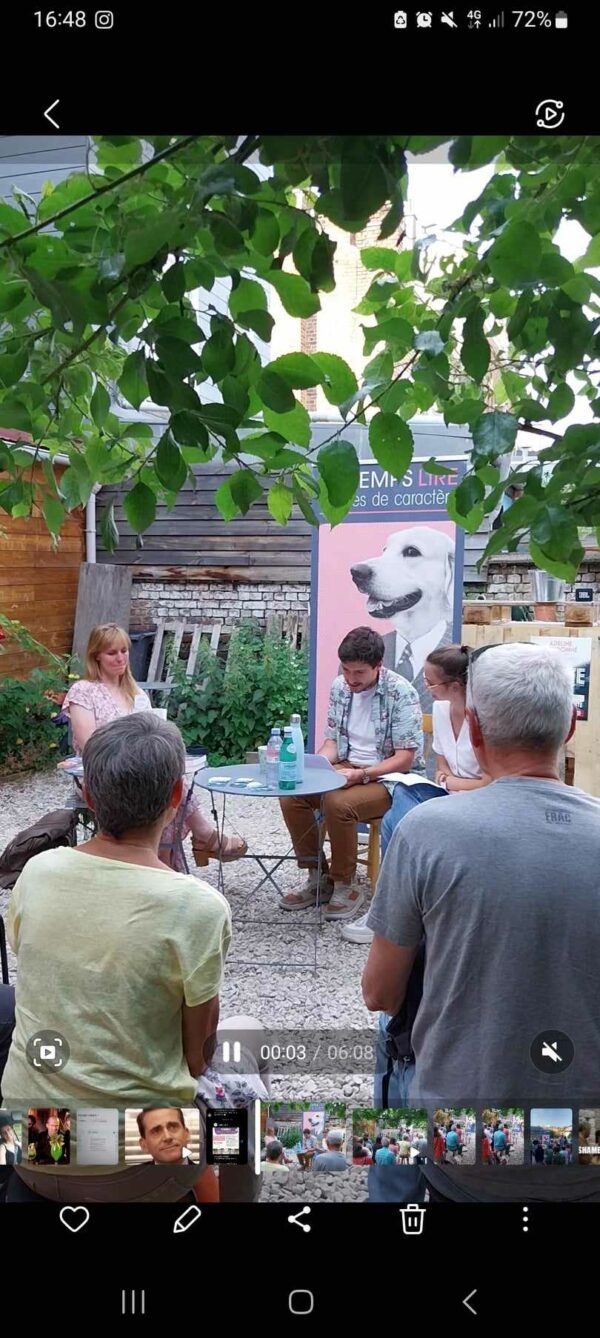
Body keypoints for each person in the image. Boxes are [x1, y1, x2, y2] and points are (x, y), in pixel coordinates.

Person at [363, 641, 600, 1203]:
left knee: (390, 1034)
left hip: (464, 1155)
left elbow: (379, 992)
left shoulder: (427, 831)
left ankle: (390, 1189)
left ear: (473, 730)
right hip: (585, 1154)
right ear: (569, 727)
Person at [3, 712, 232, 1203]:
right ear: (176, 796)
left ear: (88, 795)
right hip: (133, 1163)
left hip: (26, 1141)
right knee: (244, 1058)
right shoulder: (198, 907)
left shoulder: (37, 872)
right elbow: (197, 1059)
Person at [61, 622, 246, 867]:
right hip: (103, 773)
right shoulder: (84, 691)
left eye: (124, 651)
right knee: (163, 784)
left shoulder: (135, 692)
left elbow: (153, 733)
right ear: (97, 656)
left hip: (142, 771)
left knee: (164, 778)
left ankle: (165, 857)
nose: (120, 658)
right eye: (112, 653)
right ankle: (197, 840)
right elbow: (90, 745)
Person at [343, 644, 486, 946]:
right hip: (448, 792)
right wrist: (449, 780)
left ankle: (393, 911)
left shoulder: (484, 717)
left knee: (403, 818)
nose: (425, 686)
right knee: (402, 804)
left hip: (479, 801)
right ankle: (392, 905)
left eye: (430, 682)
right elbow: (441, 765)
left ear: (455, 686)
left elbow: (491, 782)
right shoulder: (441, 709)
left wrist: (453, 782)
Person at [280, 626, 423, 920]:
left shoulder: (401, 692)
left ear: (378, 666)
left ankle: (345, 884)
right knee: (292, 795)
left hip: (389, 779)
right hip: (346, 767)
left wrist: (362, 775)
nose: (350, 678)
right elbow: (332, 743)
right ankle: (317, 876)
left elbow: (405, 759)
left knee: (338, 803)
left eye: (359, 672)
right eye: (346, 670)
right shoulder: (340, 687)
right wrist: (315, 765)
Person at [137, 1106, 219, 1204]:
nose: (167, 1137)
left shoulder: (204, 1174)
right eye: (156, 1131)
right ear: (144, 1145)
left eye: (173, 1127)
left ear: (186, 1134)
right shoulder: (135, 1184)